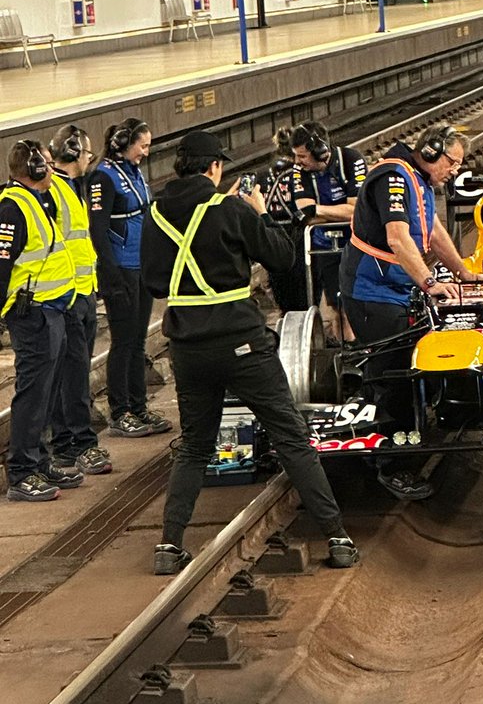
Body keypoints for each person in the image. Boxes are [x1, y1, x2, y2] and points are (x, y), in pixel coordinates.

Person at [140, 129, 358, 575]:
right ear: (215, 167)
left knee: (195, 446)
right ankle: (337, 538)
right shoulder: (231, 209)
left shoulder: (155, 214)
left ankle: (168, 547)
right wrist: (260, 215)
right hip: (241, 341)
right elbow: (282, 258)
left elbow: (155, 283)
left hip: (187, 346)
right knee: (290, 435)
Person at [339, 124, 483, 501]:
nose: (454, 171)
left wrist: (464, 273)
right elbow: (398, 238)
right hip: (372, 289)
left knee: (410, 364)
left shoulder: (418, 179)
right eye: (452, 162)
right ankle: (391, 464)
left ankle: (418, 429)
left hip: (396, 287)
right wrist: (429, 282)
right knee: (392, 374)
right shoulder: (393, 177)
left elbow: (433, 230)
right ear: (432, 150)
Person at [0, 140, 83, 501]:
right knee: (33, 392)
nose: (52, 169)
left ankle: (38, 458)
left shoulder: (36, 202)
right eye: (46, 165)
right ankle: (20, 471)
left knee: (47, 391)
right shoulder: (12, 209)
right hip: (32, 314)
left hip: (53, 309)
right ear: (32, 170)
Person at [89, 118, 172, 436]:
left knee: (138, 342)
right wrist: (110, 273)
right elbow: (97, 229)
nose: (147, 152)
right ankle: (120, 410)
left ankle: (138, 408)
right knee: (123, 342)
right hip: (121, 269)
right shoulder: (103, 177)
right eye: (143, 145)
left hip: (141, 266)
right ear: (125, 143)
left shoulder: (134, 171)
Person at [46, 125, 112, 476]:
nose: (90, 161)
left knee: (74, 373)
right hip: (69, 296)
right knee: (72, 376)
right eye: (87, 155)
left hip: (83, 292)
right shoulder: (55, 190)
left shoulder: (73, 187)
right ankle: (77, 444)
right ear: (74, 154)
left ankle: (69, 444)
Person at [289, 121, 367, 342]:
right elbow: (304, 213)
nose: (297, 162)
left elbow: (356, 210)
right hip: (325, 245)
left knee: (356, 299)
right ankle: (346, 345)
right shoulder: (298, 170)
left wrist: (319, 210)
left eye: (302, 156)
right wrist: (329, 212)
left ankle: (358, 342)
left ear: (321, 152)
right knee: (334, 302)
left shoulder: (352, 160)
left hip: (358, 244)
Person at [258, 126, 310, 314]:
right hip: (300, 238)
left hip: (274, 241)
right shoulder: (303, 173)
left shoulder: (263, 174)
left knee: (284, 299)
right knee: (304, 295)